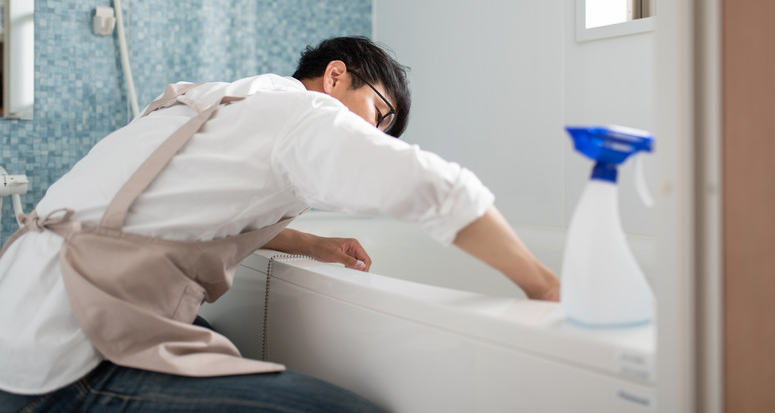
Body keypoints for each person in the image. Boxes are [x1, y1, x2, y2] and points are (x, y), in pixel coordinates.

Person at [0, 36, 559, 412]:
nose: (380, 136)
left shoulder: (219, 100)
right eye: (380, 115)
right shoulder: (305, 115)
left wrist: (311, 244)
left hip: (22, 321)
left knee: (225, 346)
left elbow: (187, 215)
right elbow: (434, 188)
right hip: (65, 360)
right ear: (337, 76)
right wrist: (543, 285)